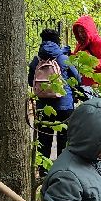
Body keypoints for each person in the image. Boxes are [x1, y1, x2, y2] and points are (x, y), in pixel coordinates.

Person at [28, 27, 81, 164]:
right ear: (57, 42)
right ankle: (62, 169)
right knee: (64, 141)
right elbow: (77, 79)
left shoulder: (36, 60)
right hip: (65, 107)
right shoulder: (63, 58)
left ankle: (43, 171)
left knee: (44, 142)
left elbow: (30, 82)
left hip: (43, 107)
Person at [71, 15, 101, 88]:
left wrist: (93, 62)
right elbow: (76, 59)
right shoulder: (80, 44)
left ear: (89, 30)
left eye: (83, 31)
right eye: (79, 32)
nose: (80, 34)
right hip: (83, 84)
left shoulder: (100, 43)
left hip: (97, 84)